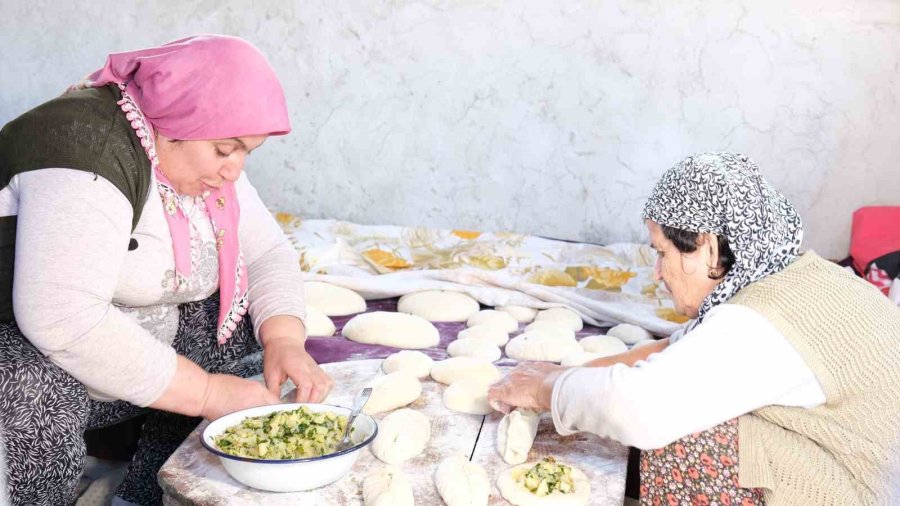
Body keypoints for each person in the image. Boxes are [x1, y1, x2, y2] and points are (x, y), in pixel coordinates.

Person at [0, 35, 332, 505]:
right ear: (178, 121)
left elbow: (265, 254)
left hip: (113, 343)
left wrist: (284, 339)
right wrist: (206, 393)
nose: (234, 169)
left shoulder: (188, 141)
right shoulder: (86, 150)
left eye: (245, 152)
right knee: (28, 390)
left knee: (235, 322)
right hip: (29, 349)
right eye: (225, 150)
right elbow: (60, 315)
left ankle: (151, 488)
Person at [489, 152, 900, 505]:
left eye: (661, 253)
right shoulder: (792, 278)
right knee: (683, 392)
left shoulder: (761, 324)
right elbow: (673, 351)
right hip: (860, 458)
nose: (656, 273)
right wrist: (560, 376)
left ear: (706, 247)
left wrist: (546, 392)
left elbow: (640, 408)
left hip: (871, 488)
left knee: (683, 435)